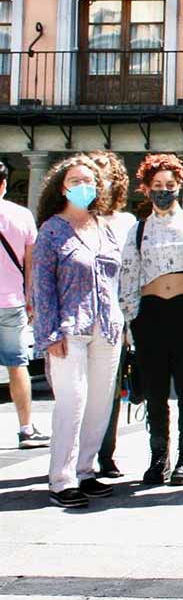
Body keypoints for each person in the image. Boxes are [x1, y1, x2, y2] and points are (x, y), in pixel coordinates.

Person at [118, 153, 183, 485]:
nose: (163, 191)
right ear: (146, 189)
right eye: (157, 185)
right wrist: (131, 318)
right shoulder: (138, 229)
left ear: (179, 186)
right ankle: (159, 455)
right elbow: (129, 275)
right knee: (156, 391)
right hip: (151, 316)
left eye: (169, 185)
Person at [31, 155, 123, 508]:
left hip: (107, 328)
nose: (84, 185)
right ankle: (61, 478)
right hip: (69, 329)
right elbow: (42, 286)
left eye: (90, 180)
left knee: (100, 404)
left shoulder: (104, 227)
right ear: (62, 186)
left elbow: (117, 278)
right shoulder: (52, 231)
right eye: (75, 180)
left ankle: (86, 470)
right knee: (73, 402)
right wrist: (49, 333)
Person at [90, 150, 136, 481]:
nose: (99, 182)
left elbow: (131, 274)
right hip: (77, 319)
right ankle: (78, 455)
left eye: (104, 175)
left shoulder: (126, 223)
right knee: (77, 391)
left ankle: (105, 454)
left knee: (109, 390)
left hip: (113, 319)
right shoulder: (72, 219)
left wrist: (128, 322)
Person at [0, 160, 48, 450]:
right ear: (4, 184)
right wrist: (32, 301)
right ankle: (26, 429)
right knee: (18, 366)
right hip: (13, 302)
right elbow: (31, 265)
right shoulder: (22, 216)